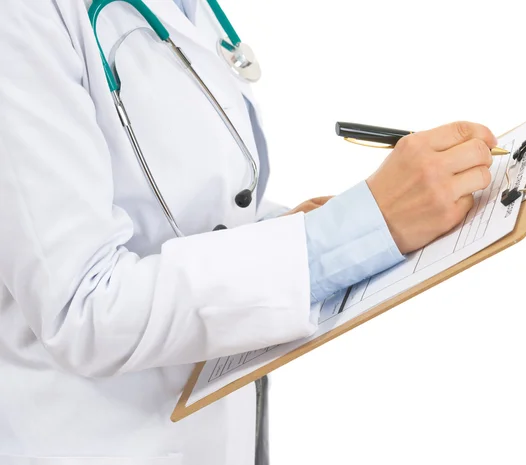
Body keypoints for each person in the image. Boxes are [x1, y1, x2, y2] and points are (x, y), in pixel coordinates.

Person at [0, 1, 497, 464]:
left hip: (226, 422)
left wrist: (297, 229)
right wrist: (354, 232)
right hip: (96, 444)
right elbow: (81, 308)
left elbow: (198, 207)